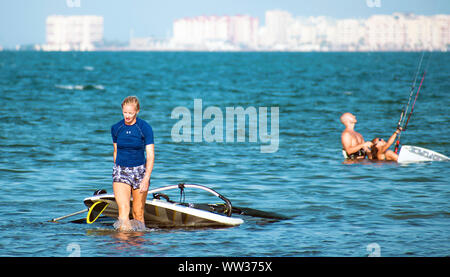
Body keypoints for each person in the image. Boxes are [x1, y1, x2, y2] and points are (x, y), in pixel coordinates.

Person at [111, 96, 155, 231]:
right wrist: (118, 169)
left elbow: (150, 155)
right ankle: (123, 244)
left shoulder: (145, 128)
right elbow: (115, 152)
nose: (127, 116)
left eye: (130, 113)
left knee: (138, 213)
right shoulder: (116, 128)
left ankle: (138, 247)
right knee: (123, 211)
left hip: (140, 172)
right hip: (121, 170)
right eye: (125, 112)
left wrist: (146, 179)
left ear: (137, 111)